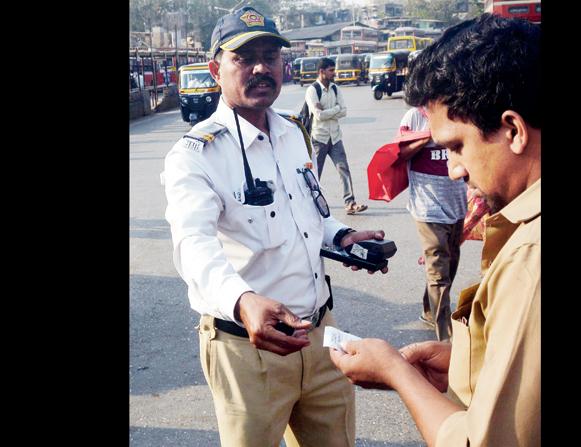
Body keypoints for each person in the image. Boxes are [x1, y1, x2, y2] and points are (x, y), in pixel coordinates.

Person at [161, 7, 388, 446]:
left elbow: (309, 215)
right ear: (216, 69)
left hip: (321, 336)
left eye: (270, 55)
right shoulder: (195, 154)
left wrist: (342, 236)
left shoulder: (291, 131)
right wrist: (243, 301)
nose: (261, 67)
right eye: (244, 58)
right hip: (248, 350)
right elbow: (193, 244)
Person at [329, 13, 540, 447]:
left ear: (514, 129)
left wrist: (397, 374)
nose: (457, 169)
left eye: (458, 147)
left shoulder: (530, 259)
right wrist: (467, 357)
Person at [397, 106, 468, 341]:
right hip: (427, 207)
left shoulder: (457, 110)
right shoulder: (414, 117)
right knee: (438, 273)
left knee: (451, 263)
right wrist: (427, 135)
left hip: (457, 203)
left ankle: (429, 310)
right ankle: (446, 338)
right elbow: (401, 152)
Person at [305, 57, 368, 215]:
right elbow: (318, 115)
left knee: (343, 169)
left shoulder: (335, 88)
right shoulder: (313, 90)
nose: (334, 73)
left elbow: (344, 110)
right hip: (319, 138)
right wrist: (335, 110)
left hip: (335, 137)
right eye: (331, 70)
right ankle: (310, 204)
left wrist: (329, 111)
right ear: (322, 71)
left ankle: (350, 203)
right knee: (315, 174)